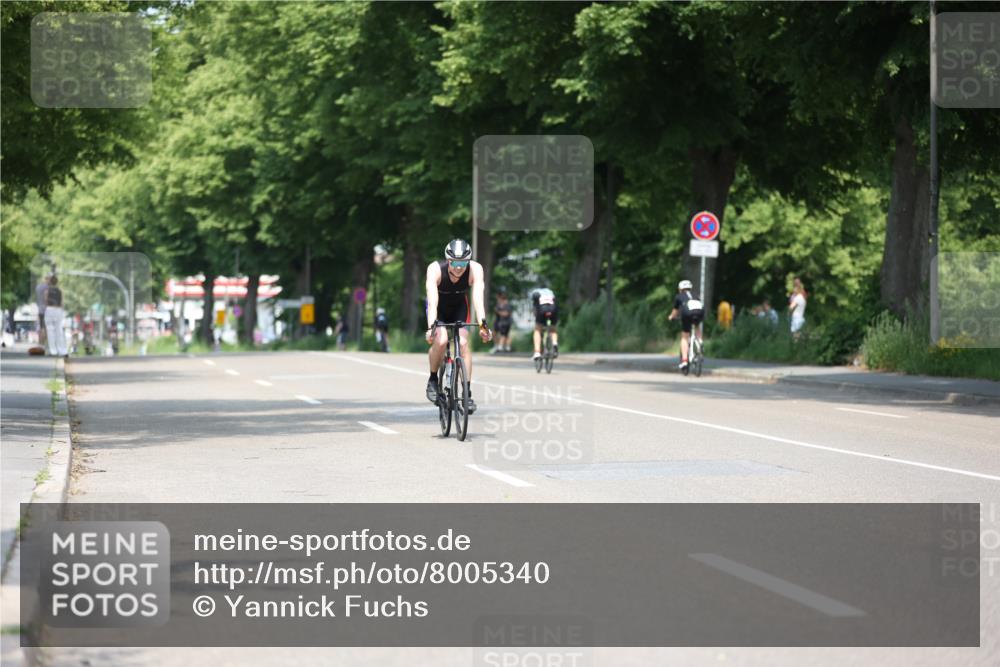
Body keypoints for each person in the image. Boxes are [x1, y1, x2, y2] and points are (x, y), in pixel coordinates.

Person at [425, 239, 492, 412]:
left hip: (459, 306)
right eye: (454, 262)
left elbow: (478, 298)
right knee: (441, 341)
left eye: (463, 262)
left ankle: (467, 394)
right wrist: (431, 327)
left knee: (462, 343)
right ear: (448, 260)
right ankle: (433, 379)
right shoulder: (435, 269)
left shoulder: (475, 269)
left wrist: (483, 324)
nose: (459, 267)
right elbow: (432, 302)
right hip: (438, 307)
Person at [668, 279, 704, 371]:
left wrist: (671, 317)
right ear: (690, 288)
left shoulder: (679, 296)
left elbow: (675, 311)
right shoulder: (696, 295)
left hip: (687, 314)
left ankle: (684, 360)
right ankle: (700, 342)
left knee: (684, 337)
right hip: (699, 312)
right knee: (697, 326)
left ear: (680, 289)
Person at [44, 275, 69, 358]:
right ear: (57, 282)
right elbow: (62, 302)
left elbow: (46, 301)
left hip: (50, 309)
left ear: (50, 282)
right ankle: (62, 350)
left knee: (50, 330)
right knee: (59, 330)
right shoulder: (60, 290)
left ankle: (53, 351)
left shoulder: (47, 291)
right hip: (58, 310)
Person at [530, 287, 558, 360]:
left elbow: (535, 308)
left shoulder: (535, 293)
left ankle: (537, 352)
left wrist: (534, 317)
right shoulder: (550, 292)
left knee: (537, 330)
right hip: (553, 309)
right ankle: (554, 343)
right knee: (553, 329)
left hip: (542, 309)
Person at [492, 289, 513, 353]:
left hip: (506, 322)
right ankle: (497, 345)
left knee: (504, 334)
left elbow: (506, 313)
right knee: (494, 333)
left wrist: (498, 312)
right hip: (498, 321)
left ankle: (502, 346)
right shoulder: (499, 303)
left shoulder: (507, 304)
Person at [35, 274, 50, 347]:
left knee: (41, 327)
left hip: (40, 309)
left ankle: (40, 343)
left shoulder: (37, 287)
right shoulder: (47, 287)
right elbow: (46, 298)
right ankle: (46, 343)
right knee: (46, 327)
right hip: (46, 309)